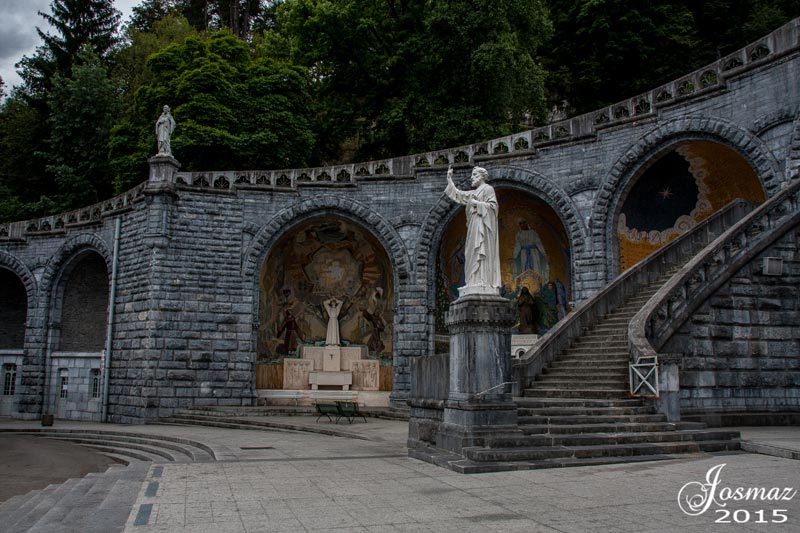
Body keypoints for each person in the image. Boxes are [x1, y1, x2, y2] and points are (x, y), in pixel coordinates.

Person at [444, 166, 501, 295]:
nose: (471, 178)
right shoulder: (474, 193)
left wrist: (477, 204)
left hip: (483, 226)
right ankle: (472, 281)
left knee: (481, 250)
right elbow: (459, 195)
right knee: (471, 252)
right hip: (473, 227)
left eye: (474, 175)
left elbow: (493, 207)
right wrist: (449, 180)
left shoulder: (488, 189)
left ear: (482, 176)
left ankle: (483, 281)